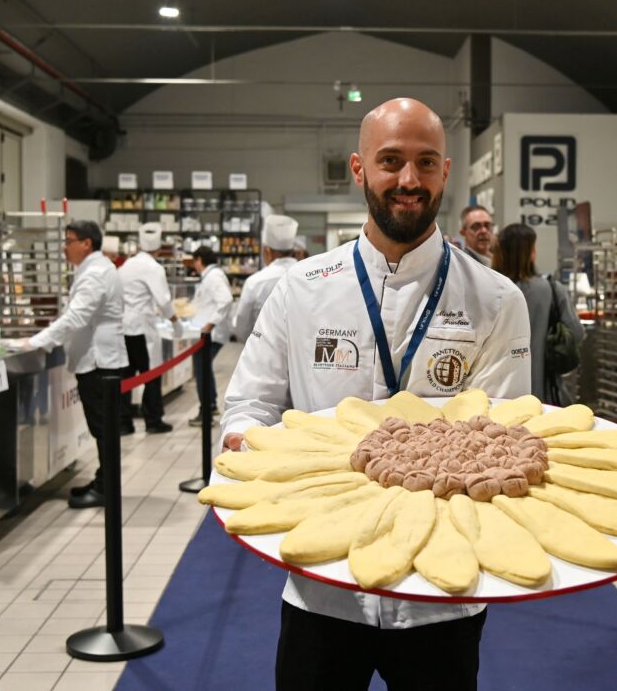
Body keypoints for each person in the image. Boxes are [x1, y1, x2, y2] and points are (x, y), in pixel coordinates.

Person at [221, 98, 531, 691]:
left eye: (425, 163)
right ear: (360, 169)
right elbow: (250, 404)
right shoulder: (303, 289)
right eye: (390, 161)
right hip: (322, 585)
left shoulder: (495, 299)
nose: (408, 180)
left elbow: (504, 438)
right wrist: (246, 446)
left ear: (445, 171)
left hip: (442, 593)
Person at [25, 220, 127, 509]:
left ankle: (107, 489)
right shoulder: (96, 268)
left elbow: (76, 318)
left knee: (102, 428)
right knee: (101, 428)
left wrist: (37, 341)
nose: (64, 247)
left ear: (86, 243)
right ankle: (103, 481)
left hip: (98, 361)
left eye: (69, 241)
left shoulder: (95, 273)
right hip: (99, 357)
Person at [492, 223, 584, 405]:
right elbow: (577, 333)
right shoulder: (552, 289)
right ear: (530, 252)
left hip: (495, 388)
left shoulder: (489, 288)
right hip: (543, 389)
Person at [118, 223, 176, 436]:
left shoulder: (126, 265)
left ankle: (123, 423)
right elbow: (163, 300)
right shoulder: (154, 268)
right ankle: (153, 420)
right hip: (142, 328)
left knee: (126, 376)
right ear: (159, 247)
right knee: (151, 374)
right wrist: (176, 323)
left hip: (124, 327)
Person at [186, 244, 232, 426]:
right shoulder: (211, 277)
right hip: (208, 332)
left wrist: (209, 324)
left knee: (201, 370)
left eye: (194, 262)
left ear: (199, 260)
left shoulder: (213, 277)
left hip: (211, 333)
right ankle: (210, 405)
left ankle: (206, 411)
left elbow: (226, 299)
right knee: (204, 369)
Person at [234, 215, 299, 342]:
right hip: (301, 354)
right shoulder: (308, 275)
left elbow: (241, 328)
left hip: (262, 353)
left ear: (267, 251)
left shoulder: (255, 282)